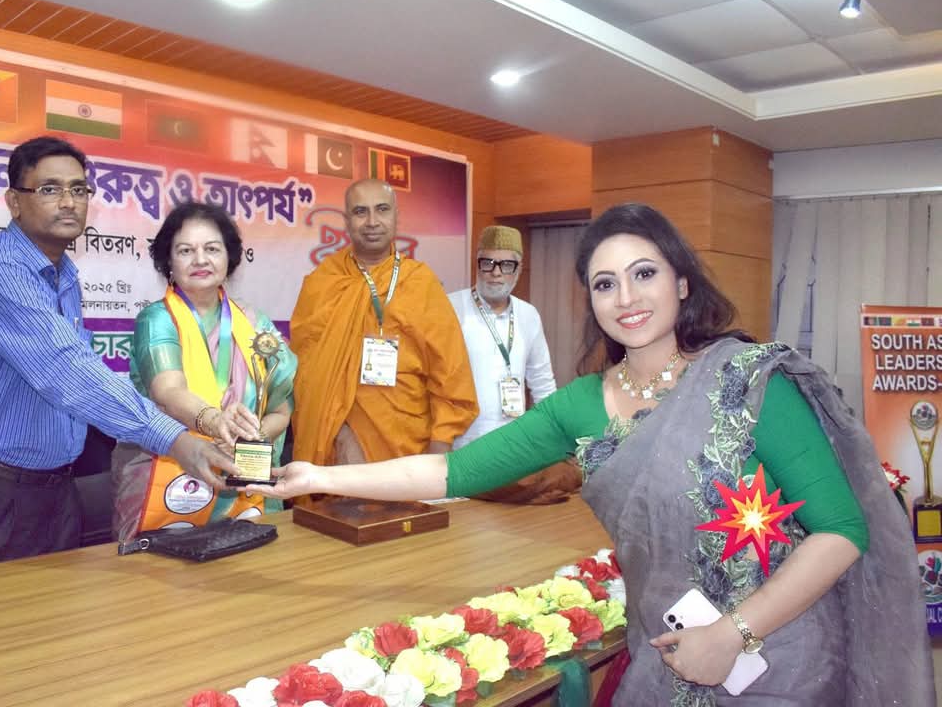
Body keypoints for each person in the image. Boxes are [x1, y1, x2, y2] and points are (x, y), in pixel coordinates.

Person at [252, 203, 934, 705]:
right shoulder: (582, 404)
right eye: (605, 284)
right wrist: (320, 474)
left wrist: (732, 634)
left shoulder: (751, 381)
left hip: (780, 656)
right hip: (665, 658)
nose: (626, 298)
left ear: (682, 282)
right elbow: (452, 470)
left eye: (644, 274)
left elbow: (840, 532)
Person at [0, 136, 233, 575]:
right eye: (50, 189)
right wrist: (176, 439)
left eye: (79, 189)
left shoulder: (62, 275)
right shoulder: (2, 274)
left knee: (53, 617)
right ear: (14, 202)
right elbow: (70, 374)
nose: (68, 201)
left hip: (52, 493)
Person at [113, 201, 296, 540]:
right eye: (186, 251)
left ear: (229, 257)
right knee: (162, 572)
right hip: (169, 476)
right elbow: (168, 392)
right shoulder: (157, 319)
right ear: (169, 261)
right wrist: (217, 423)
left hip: (244, 478)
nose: (200, 260)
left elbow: (281, 411)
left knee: (250, 567)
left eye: (212, 249)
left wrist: (247, 438)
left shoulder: (256, 326)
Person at [289, 178, 478, 465]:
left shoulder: (421, 283)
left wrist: (441, 446)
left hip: (407, 443)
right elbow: (305, 373)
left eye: (382, 209)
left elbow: (450, 371)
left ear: (396, 217)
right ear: (346, 221)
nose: (372, 222)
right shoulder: (322, 283)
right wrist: (338, 431)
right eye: (360, 212)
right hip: (335, 439)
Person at [448, 224, 555, 448]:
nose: (495, 273)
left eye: (506, 265)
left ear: (518, 269)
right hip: (461, 442)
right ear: (477, 265)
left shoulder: (528, 314)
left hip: (513, 443)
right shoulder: (450, 307)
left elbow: (542, 382)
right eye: (488, 263)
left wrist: (553, 433)